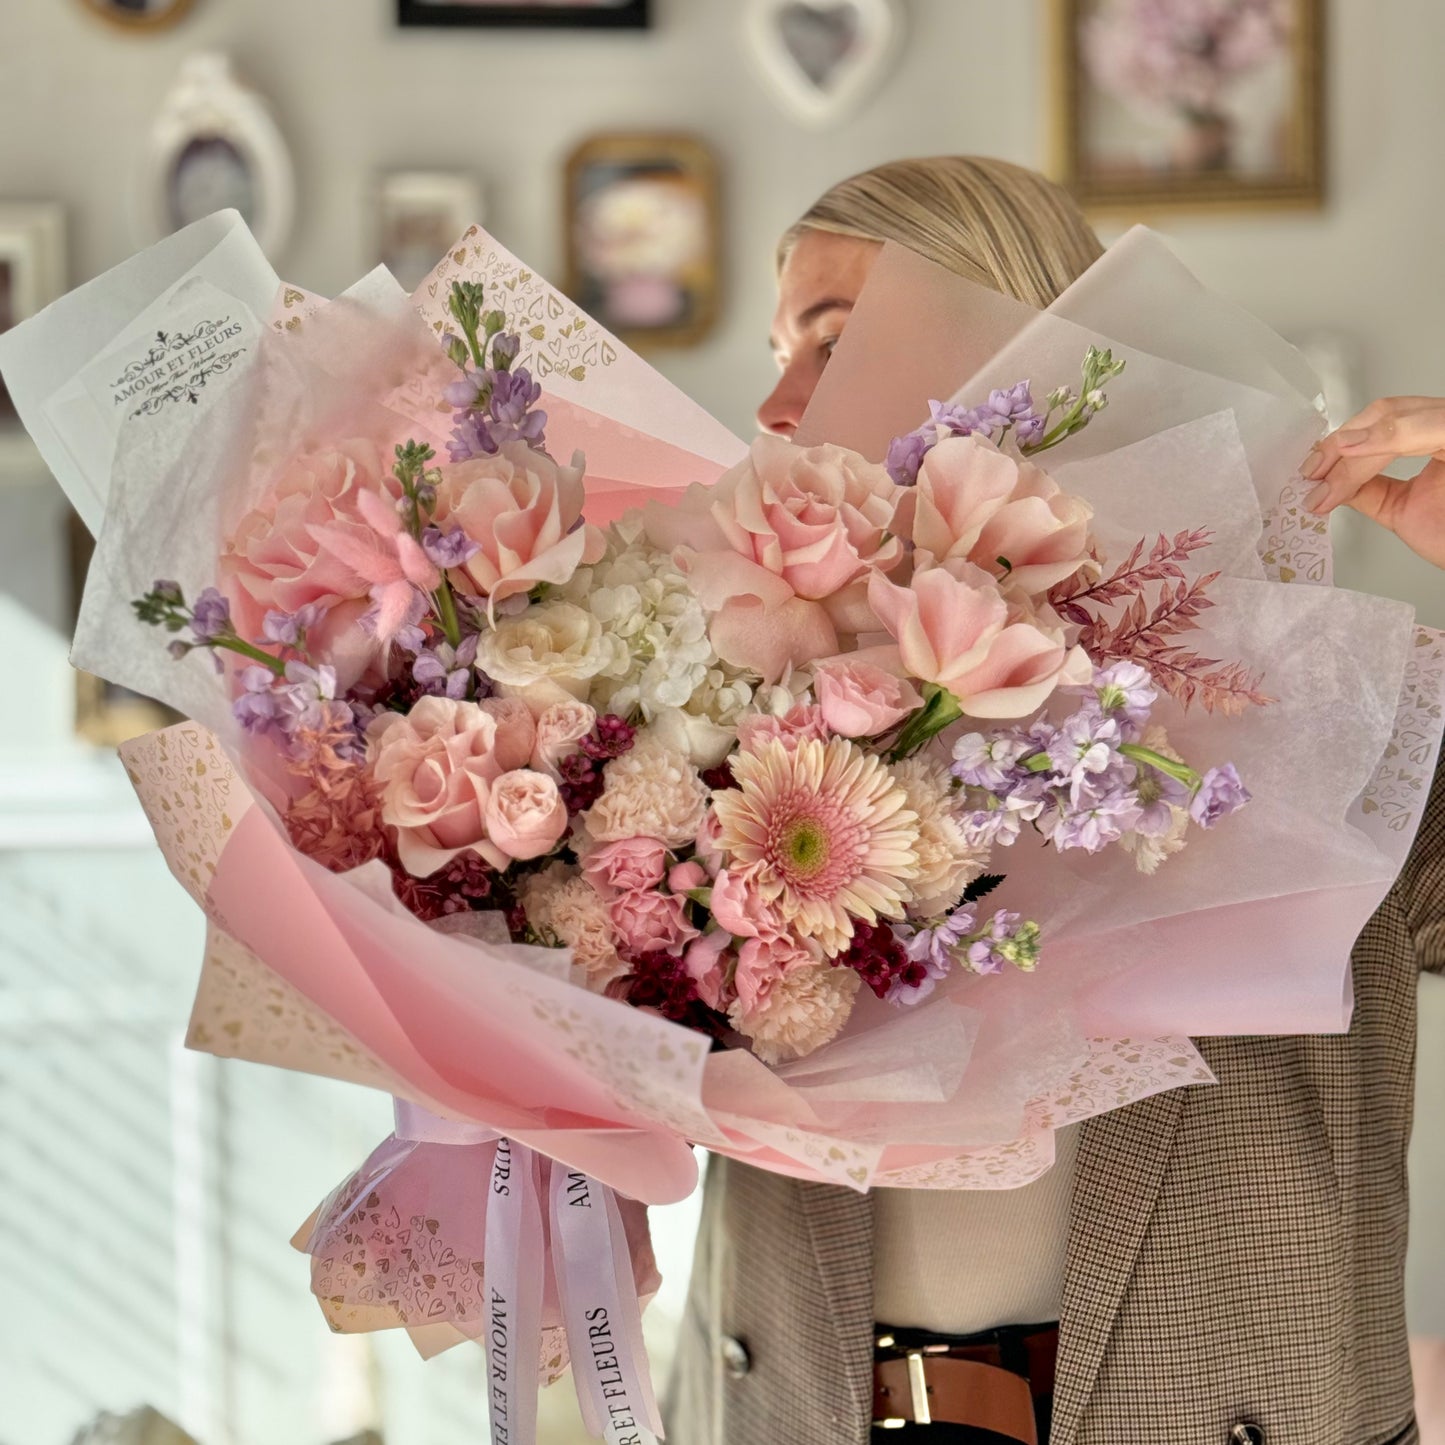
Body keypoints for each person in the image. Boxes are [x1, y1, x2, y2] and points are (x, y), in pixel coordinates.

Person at [664, 156, 1445, 1445]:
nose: (774, 405)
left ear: (1029, 343)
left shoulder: (1327, 692)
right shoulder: (714, 697)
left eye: (835, 338)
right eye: (778, 348)